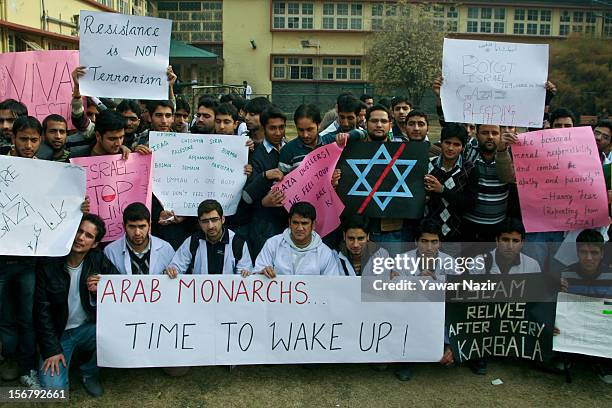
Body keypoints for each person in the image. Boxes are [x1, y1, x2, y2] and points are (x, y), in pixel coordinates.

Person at [34, 214, 119, 396]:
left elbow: (120, 287)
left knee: (114, 332)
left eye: (88, 235)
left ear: (95, 244)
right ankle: (47, 360)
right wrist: (51, 350)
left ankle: (89, 373)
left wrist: (102, 287)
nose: (81, 238)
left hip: (86, 329)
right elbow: (41, 312)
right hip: (58, 335)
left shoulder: (98, 260)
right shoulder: (49, 264)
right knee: (54, 392)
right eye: (79, 231)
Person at [558, 229, 612, 383]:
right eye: (583, 252)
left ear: (602, 253)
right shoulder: (566, 274)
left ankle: (601, 362)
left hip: (602, 328)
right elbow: (561, 308)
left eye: (594, 253)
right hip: (574, 329)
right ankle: (570, 357)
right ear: (577, 252)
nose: (589, 258)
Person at [242, 106, 287, 257]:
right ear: (264, 127)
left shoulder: (291, 149)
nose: (278, 132)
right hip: (265, 226)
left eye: (281, 127)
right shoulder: (255, 154)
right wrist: (265, 176)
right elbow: (248, 196)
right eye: (272, 128)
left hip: (290, 224)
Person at [165, 200, 252, 276]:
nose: (210, 226)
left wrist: (245, 274)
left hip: (228, 294)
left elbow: (244, 275)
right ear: (199, 223)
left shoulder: (237, 243)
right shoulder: (192, 241)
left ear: (222, 219)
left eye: (214, 220)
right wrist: (172, 271)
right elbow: (177, 267)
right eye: (205, 221)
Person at [425, 123, 479, 244]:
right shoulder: (429, 165)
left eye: (456, 144)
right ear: (441, 142)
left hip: (455, 233)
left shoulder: (470, 169)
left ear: (463, 147)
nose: (450, 148)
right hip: (429, 235)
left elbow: (470, 203)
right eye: (447, 143)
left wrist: (443, 190)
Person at [254, 202, 339, 277]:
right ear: (289, 223)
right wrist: (263, 272)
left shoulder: (325, 253)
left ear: (313, 225)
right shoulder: (272, 244)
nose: (300, 228)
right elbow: (257, 274)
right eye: (295, 223)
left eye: (304, 223)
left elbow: (332, 286)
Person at [104, 203, 175, 275]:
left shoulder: (166, 249)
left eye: (142, 226)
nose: (137, 233)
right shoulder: (110, 251)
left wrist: (173, 274)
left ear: (149, 225)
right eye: (132, 227)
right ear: (124, 226)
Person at [472, 218, 541, 275]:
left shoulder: (532, 265)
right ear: (497, 241)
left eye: (515, 241)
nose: (510, 246)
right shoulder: (479, 262)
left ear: (522, 243)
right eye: (505, 240)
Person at [279, 103, 322, 174]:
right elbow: (281, 183)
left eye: (309, 129)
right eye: (301, 130)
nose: (305, 135)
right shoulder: (287, 151)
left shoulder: (328, 144)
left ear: (319, 125)